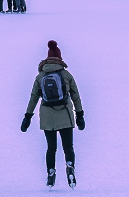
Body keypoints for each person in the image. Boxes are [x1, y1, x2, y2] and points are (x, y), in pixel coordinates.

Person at [20, 40, 84, 188]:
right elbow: (76, 96)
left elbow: (33, 98)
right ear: (59, 58)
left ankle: (50, 172)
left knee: (51, 148)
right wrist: (80, 115)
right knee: (68, 146)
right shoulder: (66, 74)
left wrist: (27, 117)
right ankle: (70, 166)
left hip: (47, 117)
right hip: (65, 114)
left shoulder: (40, 76)